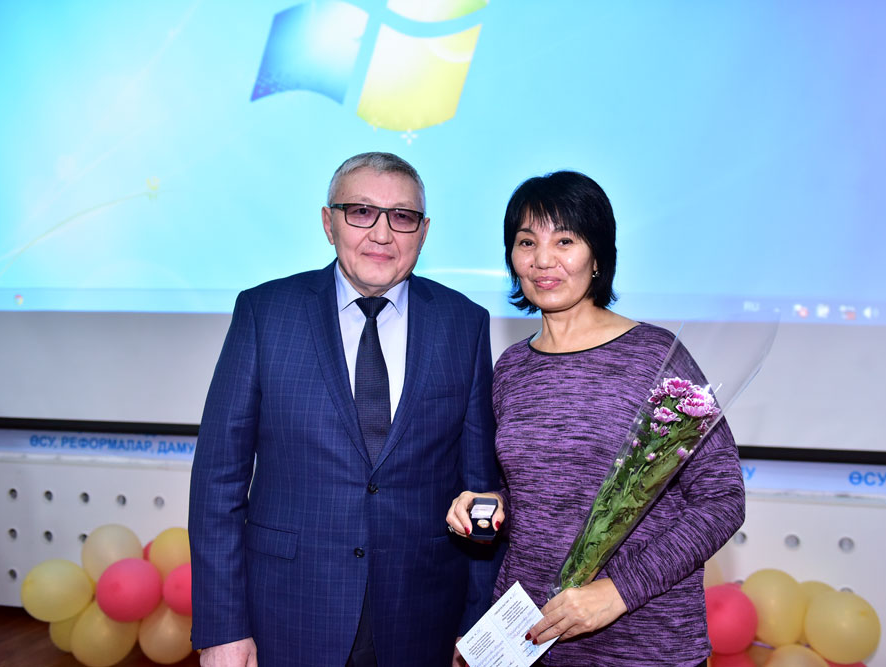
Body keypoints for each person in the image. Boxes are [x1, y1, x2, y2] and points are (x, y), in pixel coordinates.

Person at [190, 152, 502, 667]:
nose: (382, 233)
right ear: (328, 223)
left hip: (423, 618)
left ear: (424, 232)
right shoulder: (265, 313)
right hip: (288, 611)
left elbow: (480, 491)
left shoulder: (463, 323)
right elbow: (217, 483)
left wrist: (477, 633)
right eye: (361, 211)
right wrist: (223, 628)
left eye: (402, 217)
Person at [447, 171, 745, 666]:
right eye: (527, 242)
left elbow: (722, 499)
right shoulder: (512, 368)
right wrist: (489, 505)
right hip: (531, 641)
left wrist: (619, 591)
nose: (543, 260)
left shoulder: (655, 356)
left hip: (644, 646)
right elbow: (533, 499)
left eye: (565, 241)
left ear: (598, 256)